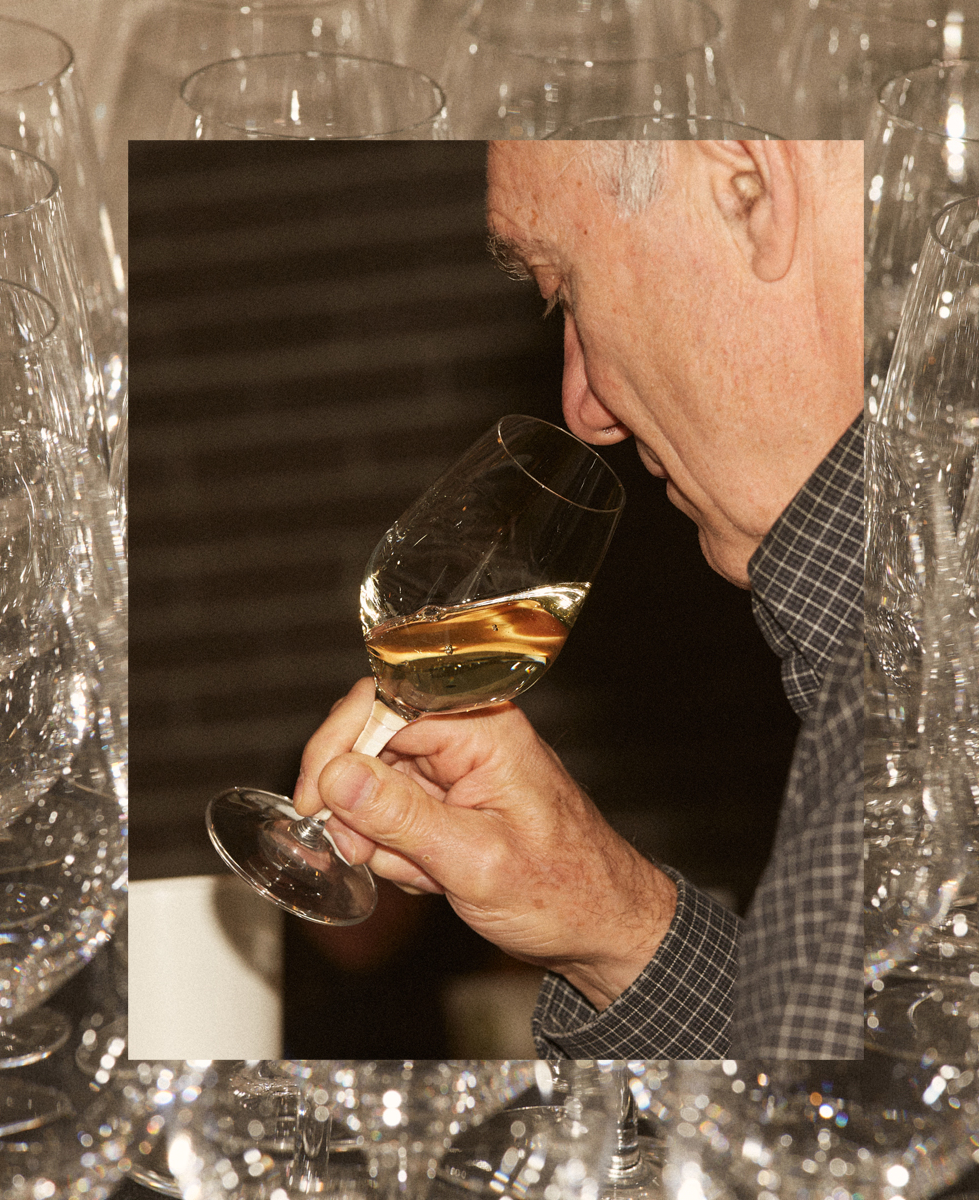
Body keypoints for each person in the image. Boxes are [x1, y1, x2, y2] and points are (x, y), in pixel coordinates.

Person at [291, 140, 864, 1059]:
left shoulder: (960, 659)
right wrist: (610, 923)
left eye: (563, 291)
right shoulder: (912, 638)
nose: (584, 410)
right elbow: (869, 1094)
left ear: (751, 189)